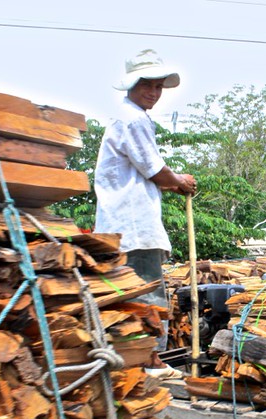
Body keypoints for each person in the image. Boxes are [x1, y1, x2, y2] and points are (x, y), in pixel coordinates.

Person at [94, 49, 197, 380]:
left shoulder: (127, 118)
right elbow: (154, 170)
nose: (153, 93)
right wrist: (179, 181)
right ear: (132, 86)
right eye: (147, 86)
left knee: (126, 294)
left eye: (158, 87)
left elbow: (145, 172)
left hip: (120, 223)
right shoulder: (134, 119)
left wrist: (173, 183)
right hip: (134, 224)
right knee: (147, 292)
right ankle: (148, 360)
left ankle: (134, 358)